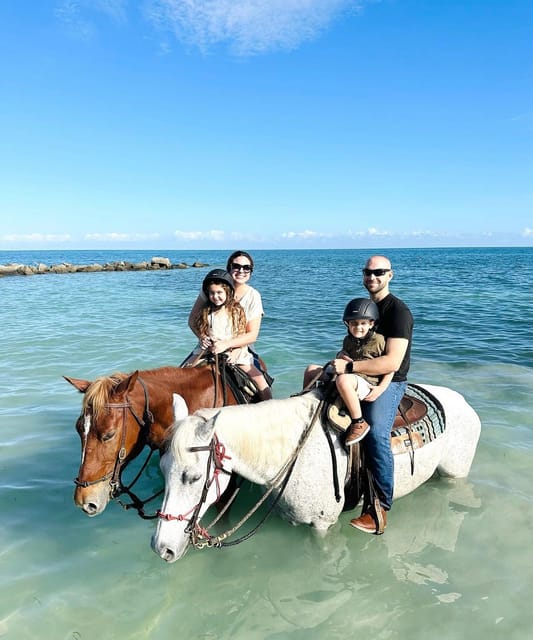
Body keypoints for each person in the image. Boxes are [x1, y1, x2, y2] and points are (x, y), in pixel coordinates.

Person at [342, 255, 413, 534]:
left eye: (379, 272)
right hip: (361, 374)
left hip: (391, 381)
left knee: (376, 433)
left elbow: (392, 362)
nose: (372, 277)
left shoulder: (398, 312)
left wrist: (350, 368)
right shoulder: (365, 307)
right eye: (368, 272)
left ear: (390, 275)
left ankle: (379, 507)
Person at [303, 298, 393, 447]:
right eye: (354, 323)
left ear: (371, 324)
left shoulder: (379, 341)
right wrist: (341, 355)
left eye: (363, 323)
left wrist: (381, 387)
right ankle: (306, 401)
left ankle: (359, 422)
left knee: (343, 381)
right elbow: (344, 354)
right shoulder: (348, 340)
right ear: (348, 324)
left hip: (366, 381)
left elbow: (390, 367)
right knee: (311, 370)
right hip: (348, 374)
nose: (358, 327)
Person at [187, 251, 272, 401]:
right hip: (209, 346)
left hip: (240, 346)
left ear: (251, 271)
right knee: (180, 375)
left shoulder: (253, 296)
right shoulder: (211, 288)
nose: (241, 270)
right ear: (229, 268)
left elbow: (252, 335)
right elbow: (193, 320)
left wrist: (227, 345)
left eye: (246, 267)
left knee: (262, 385)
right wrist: (202, 337)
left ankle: (270, 409)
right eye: (236, 266)